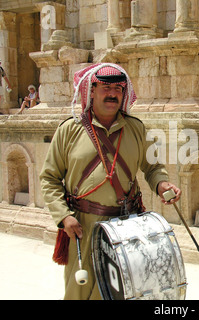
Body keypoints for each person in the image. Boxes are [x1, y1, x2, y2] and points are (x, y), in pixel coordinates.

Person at [40, 63, 181, 300]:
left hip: (126, 225)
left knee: (126, 292)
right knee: (80, 293)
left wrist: (162, 184)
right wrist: (64, 217)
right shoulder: (69, 130)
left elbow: (153, 167)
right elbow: (50, 178)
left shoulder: (135, 128)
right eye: (106, 87)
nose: (113, 93)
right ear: (91, 90)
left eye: (118, 88)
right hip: (83, 226)